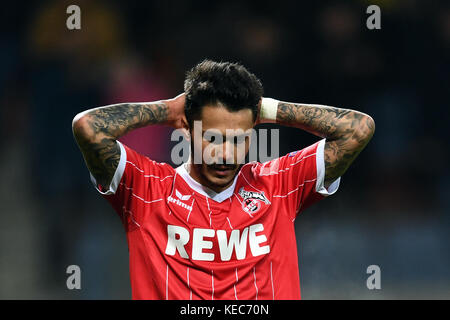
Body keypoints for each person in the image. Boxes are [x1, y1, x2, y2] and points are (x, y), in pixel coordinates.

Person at [72, 59, 375, 299]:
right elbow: (88, 127)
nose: (225, 155)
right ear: (187, 129)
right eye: (213, 138)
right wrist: (167, 109)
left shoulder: (278, 184)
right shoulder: (145, 188)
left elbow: (358, 129)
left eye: (239, 139)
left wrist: (266, 109)